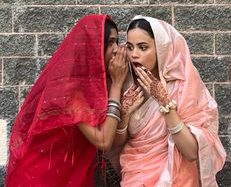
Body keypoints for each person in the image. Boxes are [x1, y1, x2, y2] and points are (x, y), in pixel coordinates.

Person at [6, 14, 142, 187]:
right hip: (42, 177)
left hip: (69, 174)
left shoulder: (96, 83)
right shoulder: (71, 89)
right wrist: (116, 85)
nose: (116, 49)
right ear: (92, 47)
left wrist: (125, 113)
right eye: (110, 42)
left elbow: (113, 138)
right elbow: (104, 141)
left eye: (117, 42)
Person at [115, 15, 226, 187]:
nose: (134, 55)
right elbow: (118, 143)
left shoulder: (182, 87)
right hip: (135, 174)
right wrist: (124, 114)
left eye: (143, 47)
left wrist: (164, 102)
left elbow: (191, 152)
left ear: (161, 49)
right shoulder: (128, 84)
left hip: (175, 178)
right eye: (130, 47)